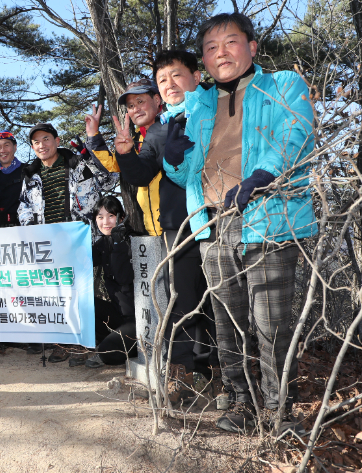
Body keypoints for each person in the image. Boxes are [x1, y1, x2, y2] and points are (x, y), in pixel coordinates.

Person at [162, 13, 316, 434]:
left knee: (271, 323)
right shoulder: (199, 103)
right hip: (213, 223)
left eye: (230, 42)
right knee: (228, 322)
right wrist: (173, 158)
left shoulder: (282, 84)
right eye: (211, 48)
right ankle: (240, 403)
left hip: (269, 217)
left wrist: (260, 176)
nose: (221, 53)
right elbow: (188, 172)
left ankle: (278, 411)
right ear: (205, 64)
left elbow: (296, 135)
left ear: (251, 46)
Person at [89, 54, 219, 405]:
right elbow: (138, 173)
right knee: (182, 299)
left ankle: (209, 373)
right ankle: (189, 372)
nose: (135, 109)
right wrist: (120, 149)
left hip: (212, 218)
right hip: (173, 228)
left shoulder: (190, 118)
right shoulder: (157, 134)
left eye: (141, 101)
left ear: (158, 101)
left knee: (207, 299)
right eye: (130, 105)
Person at [19, 122, 119, 362]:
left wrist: (90, 153)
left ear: (57, 140)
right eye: (36, 142)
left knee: (87, 295)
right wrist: (32, 231)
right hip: (50, 247)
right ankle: (64, 343)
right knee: (57, 295)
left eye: (46, 139)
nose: (41, 145)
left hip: (83, 241)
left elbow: (110, 180)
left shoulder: (79, 164)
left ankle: (89, 342)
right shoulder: (31, 174)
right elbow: (24, 206)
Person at [69, 196, 138, 368]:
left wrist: (118, 242)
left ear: (121, 217)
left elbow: (123, 277)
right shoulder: (103, 242)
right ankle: (107, 341)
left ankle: (112, 346)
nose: (105, 222)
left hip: (138, 320)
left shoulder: (132, 240)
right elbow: (79, 261)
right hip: (117, 314)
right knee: (80, 304)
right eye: (100, 217)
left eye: (111, 216)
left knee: (107, 352)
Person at [0, 131, 26, 227]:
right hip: (4, 233)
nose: (2, 150)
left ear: (15, 147)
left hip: (30, 229)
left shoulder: (29, 171)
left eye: (6, 145)